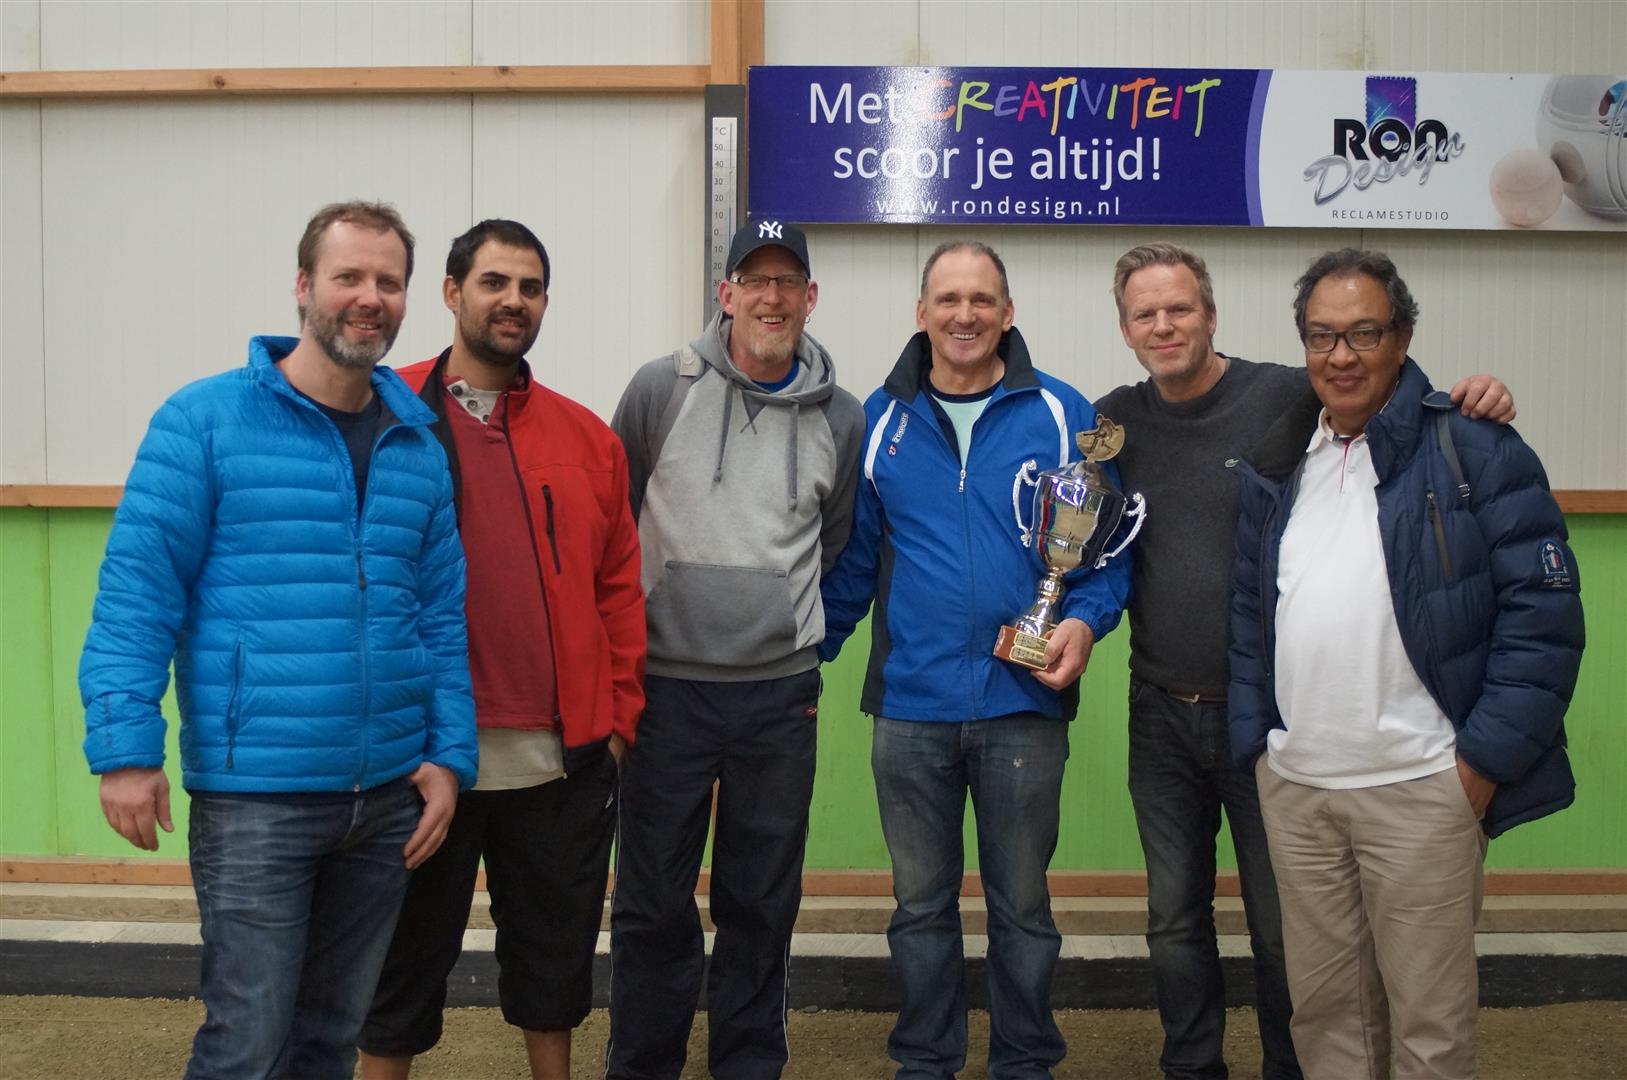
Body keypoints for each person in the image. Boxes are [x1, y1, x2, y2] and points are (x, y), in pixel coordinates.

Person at [1095, 242, 1517, 1080]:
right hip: (1162, 713)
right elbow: (1094, 549)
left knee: (1286, 933)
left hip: (1265, 725)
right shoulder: (1110, 425)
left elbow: (1389, 396)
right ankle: (1192, 1068)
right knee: (1173, 923)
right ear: (1125, 329)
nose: (1163, 325)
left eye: (1179, 308)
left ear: (1210, 315)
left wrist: (1479, 393)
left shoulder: (1289, 395)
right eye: (1145, 313)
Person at [79, 200, 478, 1079]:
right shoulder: (203, 422)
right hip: (257, 800)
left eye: (387, 282)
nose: (368, 297)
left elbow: (440, 619)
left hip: (385, 801)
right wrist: (125, 748)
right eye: (348, 276)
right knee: (247, 1046)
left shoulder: (417, 445)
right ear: (304, 286)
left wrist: (449, 756)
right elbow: (138, 595)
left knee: (330, 1040)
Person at [1228, 248, 1584, 1080]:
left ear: (1402, 338)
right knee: (1327, 1021)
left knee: (1428, 1026)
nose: (1341, 355)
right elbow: (1248, 618)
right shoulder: (1278, 463)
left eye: (1363, 333)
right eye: (1321, 336)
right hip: (1300, 790)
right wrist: (1259, 749)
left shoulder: (1473, 447)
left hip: (1422, 787)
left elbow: (1543, 621)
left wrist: (1481, 763)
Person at [819, 240, 1130, 1080]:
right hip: (909, 712)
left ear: (1007, 311)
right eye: (948, 299)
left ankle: (1024, 1063)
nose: (965, 315)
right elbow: (853, 567)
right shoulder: (879, 420)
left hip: (1022, 705)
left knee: (1022, 908)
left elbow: (1105, 555)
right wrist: (802, 665)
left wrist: (1085, 624)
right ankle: (925, 1061)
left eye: (982, 299)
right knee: (919, 908)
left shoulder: (1062, 415)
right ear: (921, 313)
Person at [358, 220, 645, 1080]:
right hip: (420, 757)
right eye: (493, 282)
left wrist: (616, 723)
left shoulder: (587, 438)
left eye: (529, 287)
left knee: (553, 967)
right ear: (452, 293)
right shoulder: (385, 415)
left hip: (557, 763)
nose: (511, 300)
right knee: (399, 969)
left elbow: (618, 589)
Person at [606, 218, 865, 1080]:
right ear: (725, 294)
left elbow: (834, 546)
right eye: (754, 280)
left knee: (760, 902)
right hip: (664, 692)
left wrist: (796, 642)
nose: (771, 297)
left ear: (809, 298)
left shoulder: (843, 418)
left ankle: (748, 1065)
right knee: (651, 902)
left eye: (787, 282)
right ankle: (642, 1064)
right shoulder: (659, 390)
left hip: (776, 700)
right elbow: (614, 527)